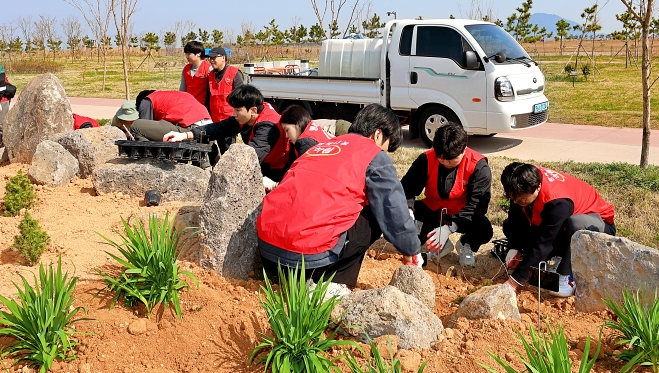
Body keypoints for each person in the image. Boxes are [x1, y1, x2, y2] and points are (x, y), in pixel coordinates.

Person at [257, 104, 422, 288]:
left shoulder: (319, 146)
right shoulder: (372, 154)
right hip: (309, 260)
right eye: (385, 146)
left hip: (269, 252)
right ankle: (335, 284)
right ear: (378, 134)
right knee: (376, 212)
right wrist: (412, 249)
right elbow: (393, 210)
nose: (383, 152)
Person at [500, 162, 616, 297]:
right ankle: (556, 261)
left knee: (575, 223)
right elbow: (516, 218)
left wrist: (515, 282)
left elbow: (543, 243)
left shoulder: (558, 202)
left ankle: (567, 276)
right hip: (562, 227)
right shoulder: (521, 178)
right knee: (509, 226)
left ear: (537, 187)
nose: (516, 202)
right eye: (513, 198)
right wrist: (515, 246)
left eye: (521, 199)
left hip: (597, 225)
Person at [400, 123, 493, 267]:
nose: (445, 162)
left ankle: (465, 244)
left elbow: (478, 205)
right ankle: (441, 245)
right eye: (441, 158)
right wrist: (408, 211)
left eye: (451, 159)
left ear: (464, 149)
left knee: (484, 229)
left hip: (462, 215)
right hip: (433, 210)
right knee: (405, 224)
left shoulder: (478, 167)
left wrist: (450, 227)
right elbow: (407, 187)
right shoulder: (426, 159)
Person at [163, 84, 290, 183]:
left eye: (238, 110)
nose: (234, 114)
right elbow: (219, 128)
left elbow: (251, 155)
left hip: (277, 171)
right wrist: (185, 135)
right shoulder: (249, 116)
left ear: (253, 110)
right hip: (263, 165)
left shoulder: (268, 127)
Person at [205, 46, 246, 154]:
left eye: (214, 58)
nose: (211, 60)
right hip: (216, 121)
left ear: (223, 57)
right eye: (210, 58)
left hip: (230, 121)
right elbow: (208, 98)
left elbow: (241, 99)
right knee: (219, 148)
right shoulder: (210, 75)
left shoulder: (235, 73)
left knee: (228, 151)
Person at [130, 89, 212, 141]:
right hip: (208, 130)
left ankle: (149, 159)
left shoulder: (147, 99)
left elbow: (146, 127)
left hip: (190, 130)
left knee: (136, 126)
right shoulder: (174, 95)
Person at [179, 40, 211, 108]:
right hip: (189, 105)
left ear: (198, 54)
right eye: (186, 54)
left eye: (189, 54)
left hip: (203, 106)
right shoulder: (186, 69)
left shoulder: (209, 68)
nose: (187, 57)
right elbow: (182, 89)